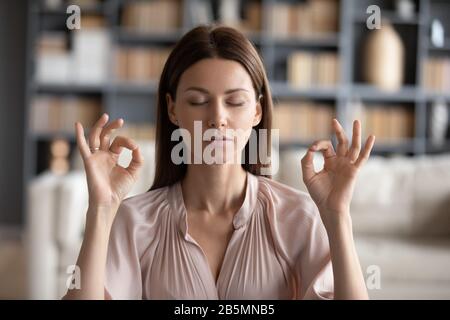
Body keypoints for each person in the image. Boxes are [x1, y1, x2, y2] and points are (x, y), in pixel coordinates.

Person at [63, 25, 374, 300]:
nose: (217, 119)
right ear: (172, 109)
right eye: (198, 101)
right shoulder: (135, 221)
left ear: (257, 111)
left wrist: (337, 216)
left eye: (235, 102)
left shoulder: (296, 216)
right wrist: (101, 210)